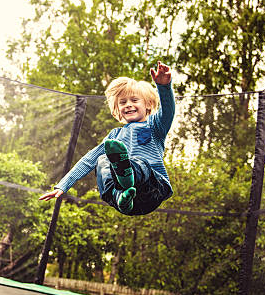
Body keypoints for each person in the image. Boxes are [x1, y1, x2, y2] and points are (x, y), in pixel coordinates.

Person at [39, 61, 175, 216]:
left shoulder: (155, 126)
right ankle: (120, 196)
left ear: (148, 104)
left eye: (134, 100)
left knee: (140, 163)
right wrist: (62, 185)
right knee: (102, 160)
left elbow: (168, 111)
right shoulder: (115, 137)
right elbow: (88, 160)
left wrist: (164, 86)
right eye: (123, 102)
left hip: (152, 189)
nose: (128, 105)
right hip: (129, 200)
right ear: (117, 109)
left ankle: (127, 176)